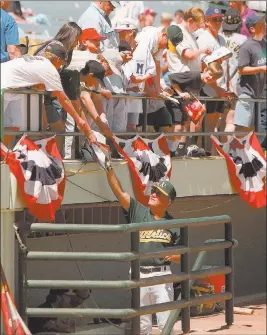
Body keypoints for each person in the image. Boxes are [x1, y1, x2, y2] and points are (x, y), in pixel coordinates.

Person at [104, 159, 180, 335]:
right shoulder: (138, 211)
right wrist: (108, 168)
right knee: (143, 327)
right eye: (153, 191)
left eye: (159, 193)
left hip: (162, 275)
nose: (153, 194)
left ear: (168, 201)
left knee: (165, 325)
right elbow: (119, 191)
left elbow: (183, 255)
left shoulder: (175, 224)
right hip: (139, 273)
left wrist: (174, 256)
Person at [1, 43, 94, 147]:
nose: (60, 67)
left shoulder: (37, 60)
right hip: (4, 85)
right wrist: (78, 120)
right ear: (58, 59)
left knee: (15, 125)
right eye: (62, 64)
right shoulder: (50, 69)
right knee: (13, 125)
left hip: (11, 87)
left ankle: (2, 153)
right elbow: (63, 98)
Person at [166, 8, 210, 157]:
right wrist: (203, 50)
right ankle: (184, 146)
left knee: (190, 118)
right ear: (190, 20)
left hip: (191, 78)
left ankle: (184, 147)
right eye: (198, 23)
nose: (199, 27)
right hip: (183, 78)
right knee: (192, 115)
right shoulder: (178, 32)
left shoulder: (189, 34)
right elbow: (188, 54)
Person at [197, 8, 234, 154]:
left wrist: (228, 84)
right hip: (208, 88)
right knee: (205, 123)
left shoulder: (222, 39)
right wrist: (215, 87)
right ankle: (204, 153)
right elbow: (201, 66)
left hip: (220, 86)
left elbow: (225, 64)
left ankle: (209, 152)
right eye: (214, 19)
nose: (218, 22)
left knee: (215, 122)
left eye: (220, 19)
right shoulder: (204, 39)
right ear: (206, 22)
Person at [169, 62, 224, 157]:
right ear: (205, 70)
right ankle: (171, 150)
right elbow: (172, 78)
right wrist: (180, 93)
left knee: (188, 124)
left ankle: (183, 149)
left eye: (214, 78)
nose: (211, 78)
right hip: (175, 101)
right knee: (178, 128)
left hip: (185, 104)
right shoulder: (194, 75)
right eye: (210, 75)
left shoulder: (203, 81)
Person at [234, 14, 267, 134]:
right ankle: (236, 151)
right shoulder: (246, 46)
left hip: (259, 93)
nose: (265, 26)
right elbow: (241, 69)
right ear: (252, 29)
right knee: (243, 125)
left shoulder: (264, 43)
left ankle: (248, 151)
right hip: (246, 92)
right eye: (261, 24)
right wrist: (261, 69)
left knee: (256, 128)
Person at [221, 8, 247, 135]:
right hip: (236, 81)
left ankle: (215, 150)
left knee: (219, 117)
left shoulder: (218, 37)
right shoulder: (243, 39)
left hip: (218, 81)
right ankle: (226, 149)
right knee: (231, 118)